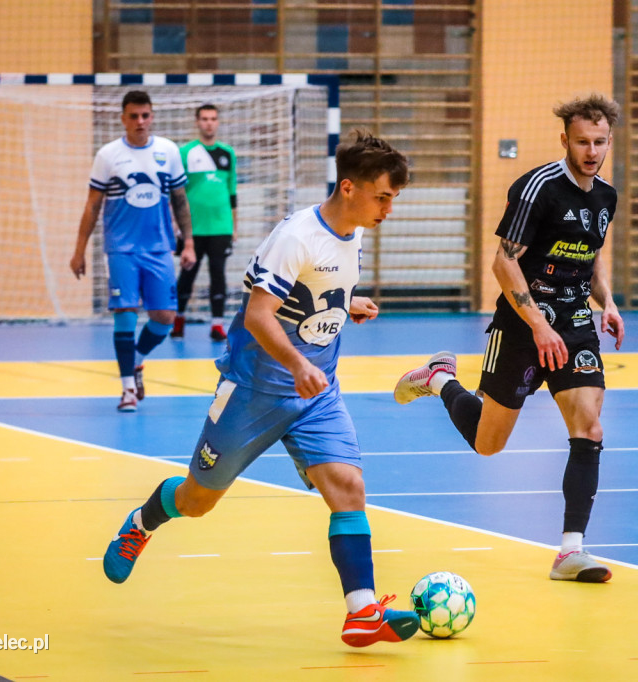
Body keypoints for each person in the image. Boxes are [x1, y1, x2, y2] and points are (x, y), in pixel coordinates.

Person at [101, 130, 420, 647]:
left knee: (348, 487)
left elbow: (318, 289)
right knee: (198, 500)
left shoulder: (353, 231)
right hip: (254, 390)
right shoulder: (297, 236)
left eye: (393, 199)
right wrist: (296, 363)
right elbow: (257, 315)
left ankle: (362, 612)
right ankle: (141, 522)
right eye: (383, 196)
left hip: (316, 393)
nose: (388, 208)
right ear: (348, 188)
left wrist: (343, 306)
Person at [394, 94, 624, 583]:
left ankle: (570, 551)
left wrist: (609, 302)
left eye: (599, 142)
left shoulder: (605, 196)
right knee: (488, 444)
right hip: (523, 324)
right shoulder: (537, 187)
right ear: (565, 139)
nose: (591, 150)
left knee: (590, 425)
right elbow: (504, 261)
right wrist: (538, 324)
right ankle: (439, 380)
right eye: (582, 141)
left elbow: (592, 256)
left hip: (575, 323)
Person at [70, 90, 196, 412]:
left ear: (151, 116)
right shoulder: (108, 156)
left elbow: (180, 200)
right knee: (125, 315)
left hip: (159, 249)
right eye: (134, 116)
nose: (140, 122)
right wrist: (79, 250)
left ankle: (136, 359)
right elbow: (92, 205)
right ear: (123, 118)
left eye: (145, 115)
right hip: (121, 249)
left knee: (164, 318)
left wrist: (189, 243)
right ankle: (127, 389)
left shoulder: (167, 151)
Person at [172, 104, 238, 342]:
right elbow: (176, 192)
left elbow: (232, 194)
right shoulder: (185, 152)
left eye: (213, 119)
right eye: (204, 119)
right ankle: (178, 320)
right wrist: (175, 223)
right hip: (193, 229)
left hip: (221, 228)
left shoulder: (227, 153)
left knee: (218, 275)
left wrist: (235, 227)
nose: (209, 123)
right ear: (197, 122)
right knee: (187, 274)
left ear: (218, 122)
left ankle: (217, 325)